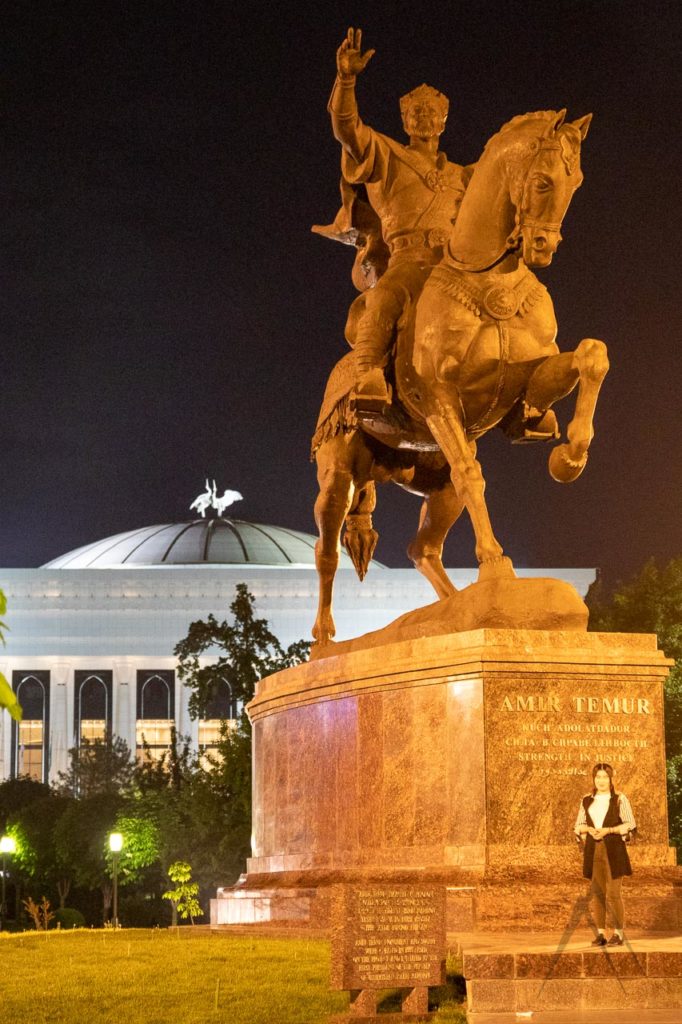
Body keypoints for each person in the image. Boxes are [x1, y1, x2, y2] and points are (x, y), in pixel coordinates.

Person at [325, 27, 471, 410]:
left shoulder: (463, 175)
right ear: (405, 120)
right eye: (415, 112)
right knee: (387, 297)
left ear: (443, 120)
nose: (424, 117)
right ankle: (368, 374)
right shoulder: (386, 154)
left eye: (432, 111)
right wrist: (346, 80)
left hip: (454, 269)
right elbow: (347, 130)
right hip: (407, 261)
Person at [574, 762, 636, 946]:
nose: (601, 781)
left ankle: (618, 933)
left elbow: (630, 824)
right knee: (598, 892)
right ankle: (601, 934)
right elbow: (578, 825)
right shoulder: (587, 800)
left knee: (614, 893)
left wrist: (609, 830)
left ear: (610, 779)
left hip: (614, 850)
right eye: (598, 777)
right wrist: (589, 829)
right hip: (594, 850)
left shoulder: (619, 799)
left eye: (605, 777)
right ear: (594, 779)